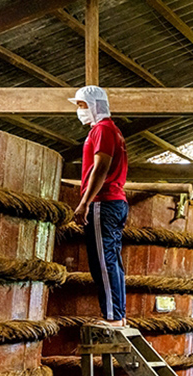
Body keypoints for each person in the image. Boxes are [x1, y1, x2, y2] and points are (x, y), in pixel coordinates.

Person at [69, 86, 129, 327]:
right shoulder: (112, 130)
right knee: (112, 259)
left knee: (102, 261)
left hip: (103, 202)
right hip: (114, 202)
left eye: (82, 105)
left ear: (94, 105)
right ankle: (119, 315)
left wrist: (84, 202)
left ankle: (113, 317)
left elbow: (100, 167)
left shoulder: (102, 130)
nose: (79, 111)